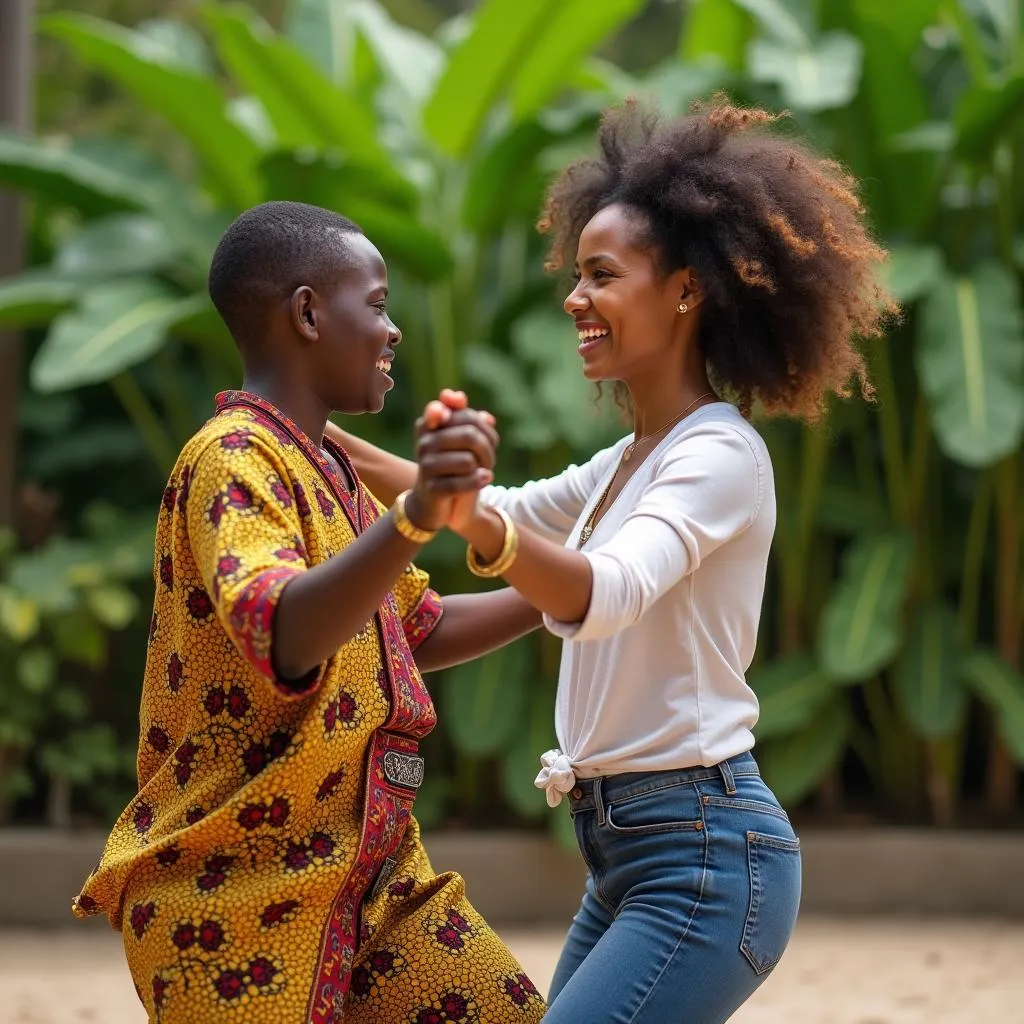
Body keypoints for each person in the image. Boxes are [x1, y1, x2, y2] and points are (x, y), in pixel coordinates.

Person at [330, 99, 896, 1022]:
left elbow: (610, 587)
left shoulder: (714, 456)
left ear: (685, 290)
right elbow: (505, 511)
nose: (574, 299)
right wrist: (306, 428)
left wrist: (469, 513)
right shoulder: (629, 460)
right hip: (632, 852)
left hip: (708, 861)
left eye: (601, 275)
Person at [72, 201, 548, 1024]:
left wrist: (574, 590)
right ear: (306, 313)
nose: (393, 329)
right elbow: (285, 629)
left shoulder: (324, 466)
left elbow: (415, 629)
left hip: (378, 882)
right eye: (377, 302)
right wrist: (418, 516)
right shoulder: (230, 457)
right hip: (231, 895)